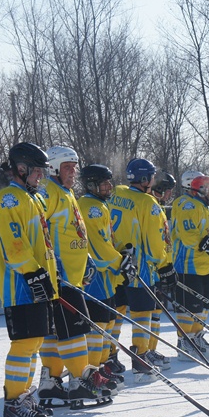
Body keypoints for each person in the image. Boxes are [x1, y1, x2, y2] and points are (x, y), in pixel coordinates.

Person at [36, 146, 114, 410]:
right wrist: (51, 265)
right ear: (54, 168)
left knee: (60, 332)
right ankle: (80, 380)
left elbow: (74, 234)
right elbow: (38, 229)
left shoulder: (67, 193)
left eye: (75, 167)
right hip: (60, 277)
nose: (74, 172)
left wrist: (87, 258)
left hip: (73, 276)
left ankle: (51, 382)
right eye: (68, 167)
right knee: (73, 331)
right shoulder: (48, 192)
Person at [0, 142, 56, 417]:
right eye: (37, 171)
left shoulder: (32, 198)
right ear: (21, 168)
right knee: (24, 344)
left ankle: (24, 398)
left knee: (35, 343)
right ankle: (14, 405)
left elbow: (41, 242)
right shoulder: (8, 198)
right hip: (20, 284)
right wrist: (33, 273)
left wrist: (50, 274)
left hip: (37, 280)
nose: (41, 176)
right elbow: (13, 244)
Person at [108, 158, 174, 383]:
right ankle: (140, 361)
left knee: (116, 314)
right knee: (142, 315)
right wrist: (164, 263)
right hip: (140, 269)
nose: (154, 181)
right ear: (145, 179)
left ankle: (109, 358)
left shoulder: (117, 193)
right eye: (152, 176)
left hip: (117, 266)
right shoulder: (149, 203)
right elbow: (156, 243)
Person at [76, 164, 137, 388]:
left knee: (109, 323)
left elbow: (107, 240)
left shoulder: (100, 205)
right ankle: (92, 372)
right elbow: (99, 245)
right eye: (104, 182)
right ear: (91, 184)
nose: (109, 186)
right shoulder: (90, 206)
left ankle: (101, 367)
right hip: (96, 275)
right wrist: (119, 261)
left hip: (106, 275)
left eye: (109, 182)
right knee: (99, 325)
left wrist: (123, 251)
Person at [170, 174, 209, 360]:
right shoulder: (186, 203)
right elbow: (188, 235)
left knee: (203, 307)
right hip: (187, 264)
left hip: (204, 265)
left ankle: (196, 337)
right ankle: (184, 342)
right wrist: (208, 244)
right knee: (189, 307)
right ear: (199, 189)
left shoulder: (207, 209)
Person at [147, 171, 178, 370]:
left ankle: (151, 349)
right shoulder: (149, 205)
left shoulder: (156, 206)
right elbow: (153, 240)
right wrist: (163, 266)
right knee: (150, 312)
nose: (169, 195)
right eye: (167, 191)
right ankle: (145, 351)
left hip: (161, 265)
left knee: (158, 310)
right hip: (151, 268)